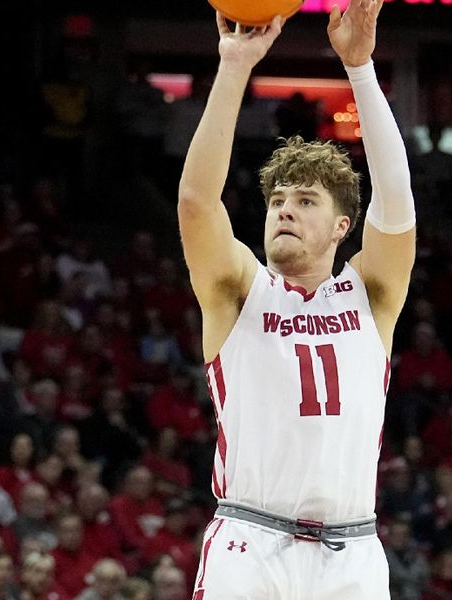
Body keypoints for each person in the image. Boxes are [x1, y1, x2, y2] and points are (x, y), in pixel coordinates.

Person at [177, 0, 416, 597]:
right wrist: (234, 67)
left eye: (306, 200)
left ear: (342, 227)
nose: (284, 207)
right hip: (250, 544)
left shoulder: (372, 296)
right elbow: (196, 204)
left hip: (352, 552)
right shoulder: (238, 290)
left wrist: (360, 69)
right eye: (278, 198)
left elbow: (399, 204)